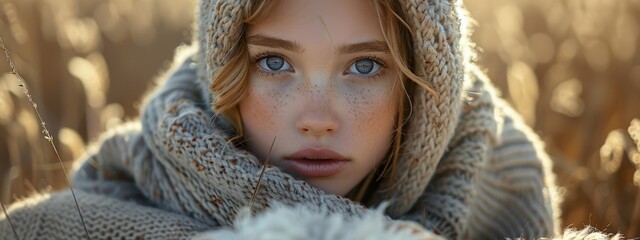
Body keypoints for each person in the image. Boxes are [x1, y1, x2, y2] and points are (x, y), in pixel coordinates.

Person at [0, 0, 559, 239]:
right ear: (224, 67)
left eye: (364, 66)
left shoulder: (501, 182)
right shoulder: (91, 218)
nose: (316, 118)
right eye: (274, 62)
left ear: (424, 84)